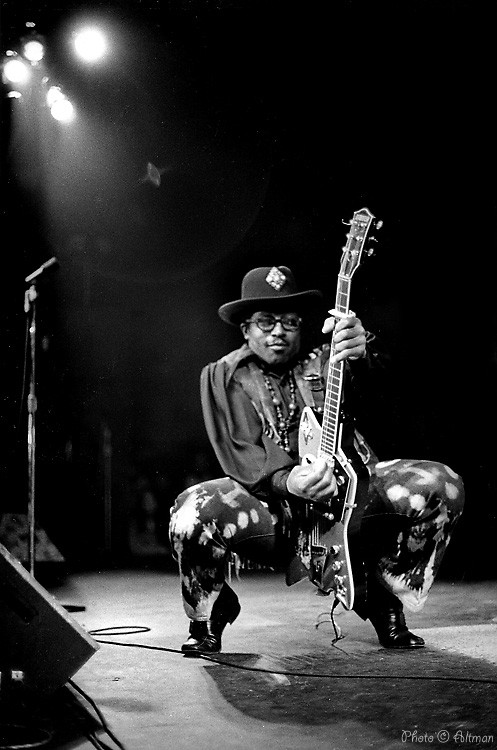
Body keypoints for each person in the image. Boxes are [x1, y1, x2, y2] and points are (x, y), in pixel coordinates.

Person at [169, 265, 464, 655]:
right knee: (191, 512)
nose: (278, 331)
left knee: (441, 485)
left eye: (289, 322)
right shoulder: (225, 375)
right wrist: (288, 481)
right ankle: (209, 612)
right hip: (271, 505)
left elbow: (387, 383)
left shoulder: (330, 359)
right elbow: (242, 449)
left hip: (351, 497)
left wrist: (362, 349)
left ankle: (382, 596)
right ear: (245, 328)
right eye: (265, 321)